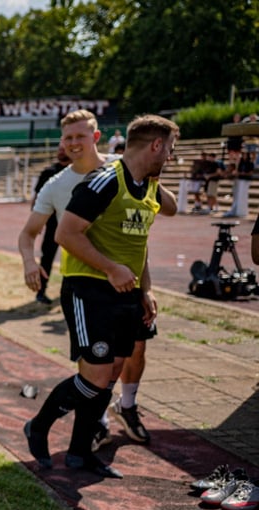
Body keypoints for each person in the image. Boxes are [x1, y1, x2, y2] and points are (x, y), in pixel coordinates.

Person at [24, 114, 179, 479]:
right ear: (156, 145)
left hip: (127, 292)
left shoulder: (146, 183)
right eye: (169, 149)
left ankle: (79, 453)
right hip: (90, 289)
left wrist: (145, 289)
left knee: (110, 374)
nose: (171, 156)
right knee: (94, 376)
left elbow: (154, 227)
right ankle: (39, 424)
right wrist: (110, 268)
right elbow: (65, 234)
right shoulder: (105, 181)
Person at [24, 144, 70, 304]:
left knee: (74, 260)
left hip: (74, 227)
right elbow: (37, 197)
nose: (61, 152)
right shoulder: (49, 172)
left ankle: (71, 293)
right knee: (47, 258)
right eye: (59, 149)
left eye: (63, 149)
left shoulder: (77, 172)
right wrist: (36, 222)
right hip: (53, 225)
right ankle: (41, 291)